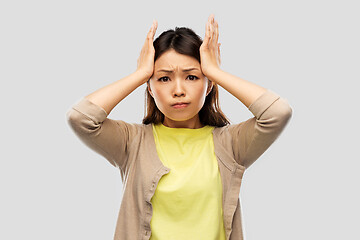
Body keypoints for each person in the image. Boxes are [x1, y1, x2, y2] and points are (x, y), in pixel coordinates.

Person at [66, 14, 293, 240]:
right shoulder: (132, 141)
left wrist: (216, 72)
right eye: (164, 79)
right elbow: (81, 118)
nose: (178, 90)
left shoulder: (231, 143)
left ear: (208, 85)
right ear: (150, 88)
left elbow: (277, 113)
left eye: (192, 77)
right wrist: (140, 74)